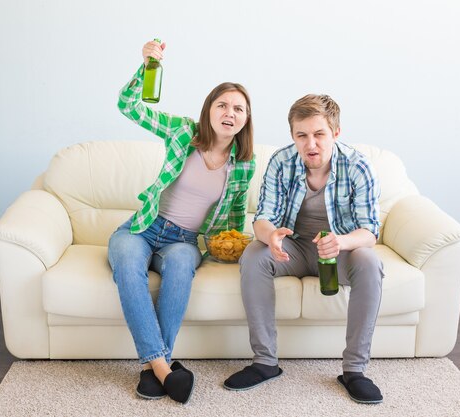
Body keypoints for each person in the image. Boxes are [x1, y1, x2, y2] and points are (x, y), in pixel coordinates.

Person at [109, 39, 255, 404]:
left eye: (239, 108)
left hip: (185, 241)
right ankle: (161, 368)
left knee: (179, 269)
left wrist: (237, 248)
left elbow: (233, 219)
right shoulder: (182, 132)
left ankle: (150, 369)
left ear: (245, 119)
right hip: (144, 226)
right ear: (208, 110)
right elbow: (128, 106)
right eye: (222, 104)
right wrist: (147, 65)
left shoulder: (245, 165)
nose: (229, 112)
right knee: (127, 263)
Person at [223, 94, 384, 404]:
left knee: (368, 261)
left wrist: (341, 242)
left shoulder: (358, 166)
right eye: (302, 135)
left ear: (335, 133)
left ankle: (354, 371)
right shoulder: (282, 162)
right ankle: (264, 363)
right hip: (294, 248)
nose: (311, 144)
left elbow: (370, 231)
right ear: (293, 135)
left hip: (340, 251)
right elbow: (262, 219)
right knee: (254, 254)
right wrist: (270, 235)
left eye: (319, 134)